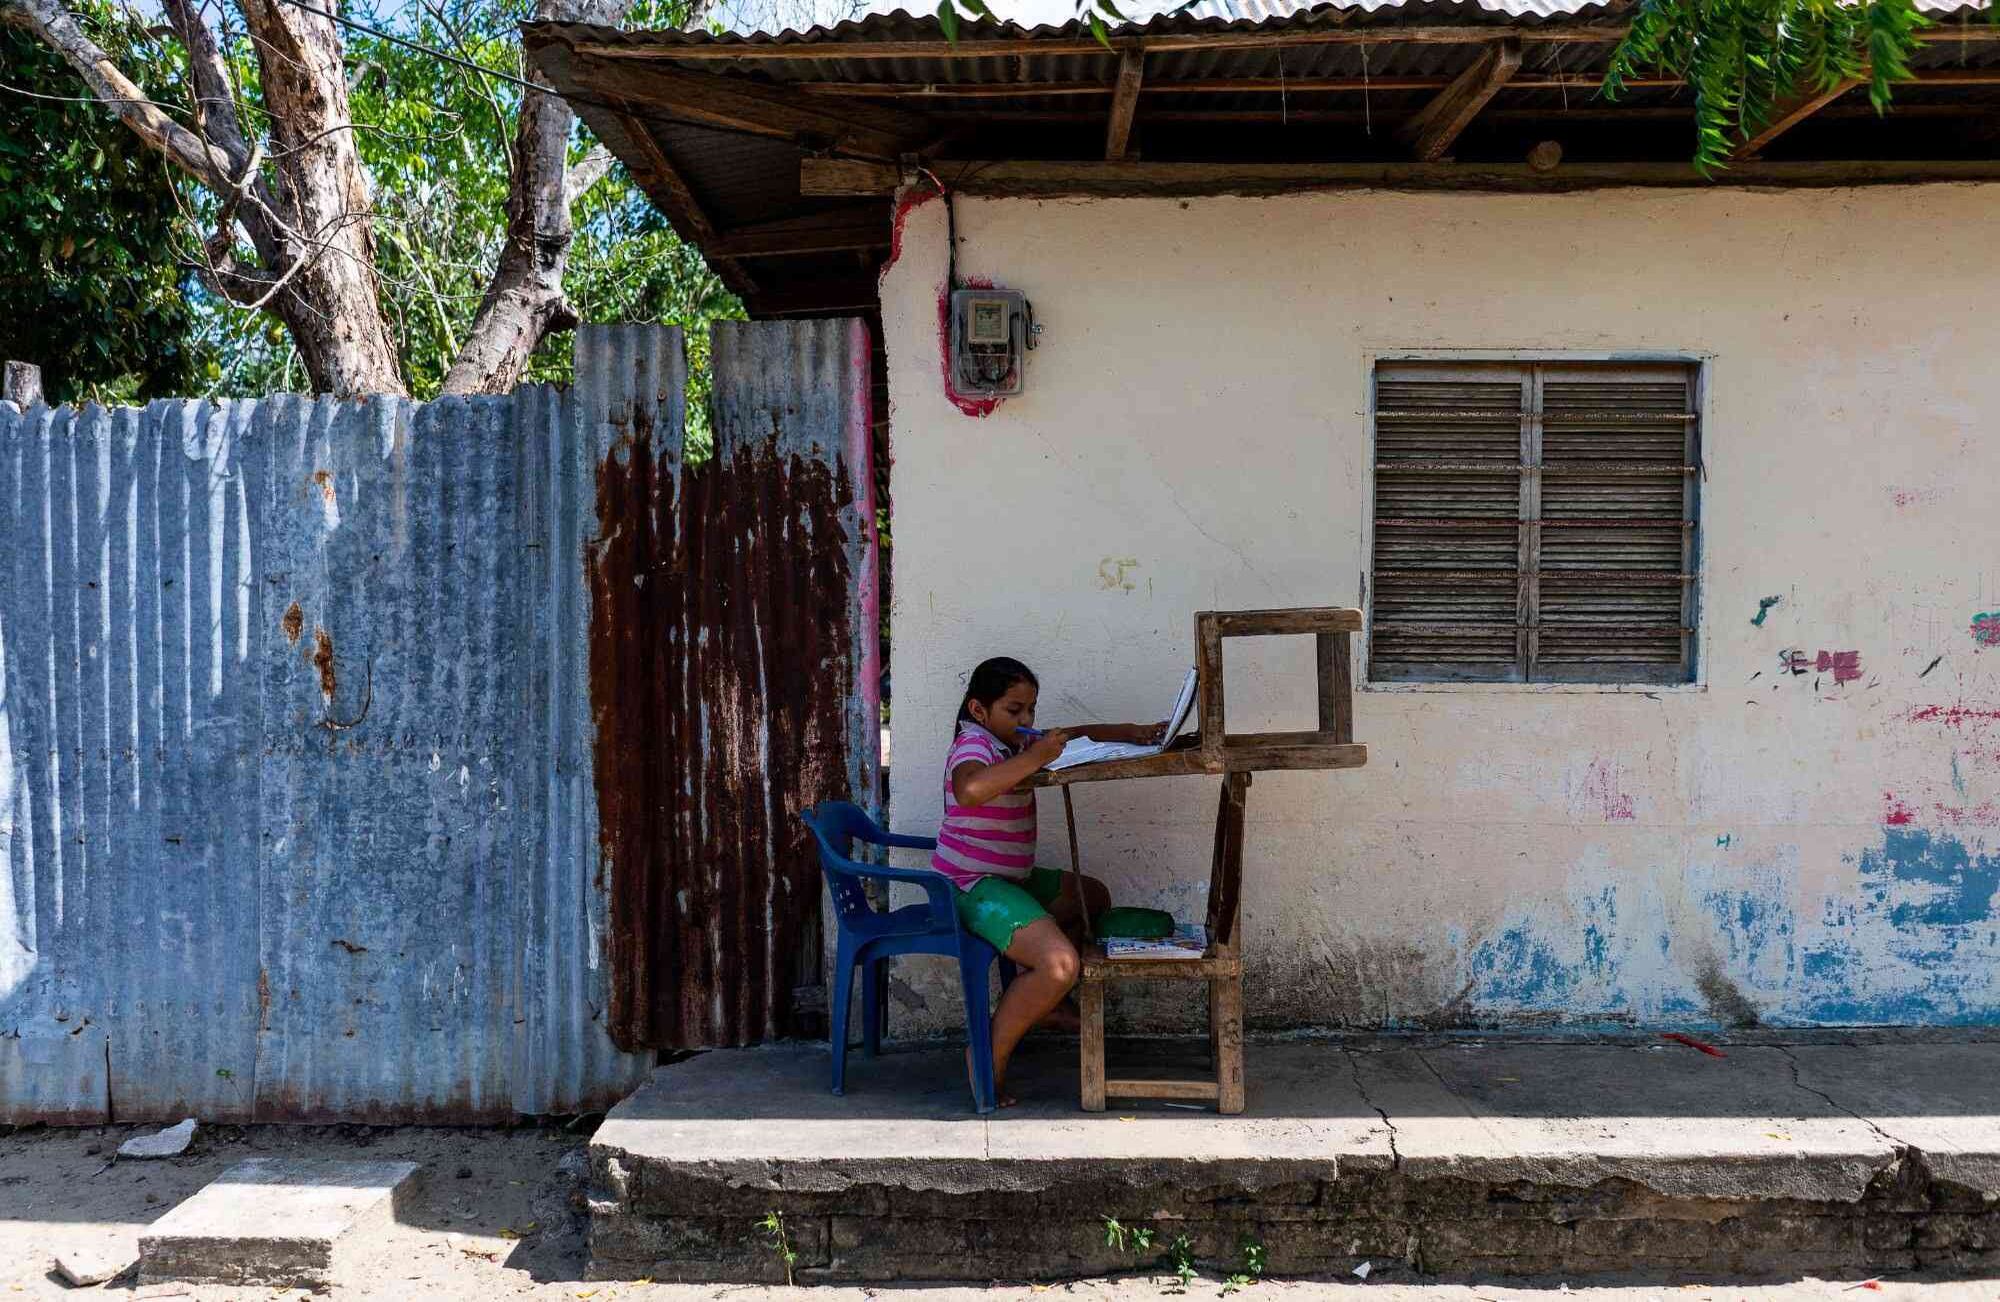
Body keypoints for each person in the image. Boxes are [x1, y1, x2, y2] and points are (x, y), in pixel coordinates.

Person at [935, 656, 1163, 1106]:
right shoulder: (973, 745)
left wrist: (1130, 732)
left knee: (1090, 897)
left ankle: (1047, 999)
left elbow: (1069, 737)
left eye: (1031, 710)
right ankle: (986, 1059)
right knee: (1060, 965)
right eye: (1014, 710)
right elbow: (970, 790)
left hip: (1011, 878)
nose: (1026, 721)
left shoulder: (1010, 743)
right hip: (970, 885)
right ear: (979, 710)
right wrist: (1035, 756)